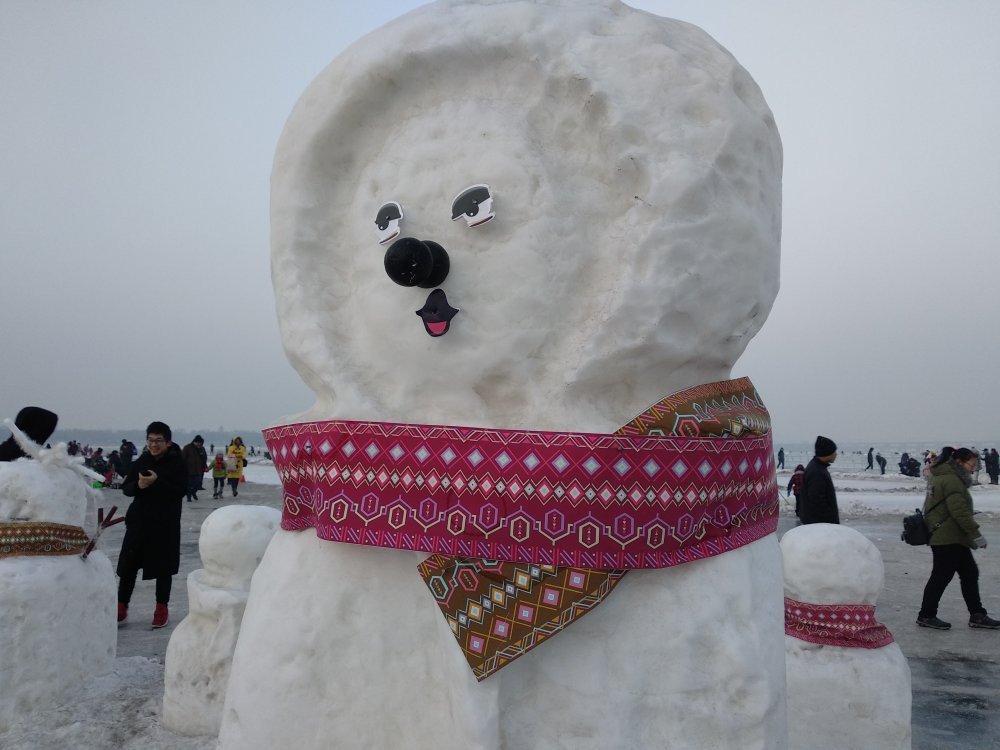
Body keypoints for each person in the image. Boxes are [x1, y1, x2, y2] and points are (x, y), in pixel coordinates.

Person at [917, 447, 999, 630]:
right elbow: (959, 512)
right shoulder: (952, 480)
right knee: (941, 577)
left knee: (970, 574)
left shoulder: (940, 475)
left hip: (951, 536)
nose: (973, 468)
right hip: (947, 537)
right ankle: (926, 615)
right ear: (960, 463)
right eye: (972, 464)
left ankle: (977, 614)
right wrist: (976, 535)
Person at [116, 421, 186, 629]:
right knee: (129, 565)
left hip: (165, 524)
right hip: (139, 521)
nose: (154, 445)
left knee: (163, 568)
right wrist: (138, 485)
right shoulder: (142, 460)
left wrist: (157, 483)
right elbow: (126, 489)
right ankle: (121, 605)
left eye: (158, 441)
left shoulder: (176, 463)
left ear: (168, 442)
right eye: (150, 440)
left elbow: (180, 491)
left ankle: (161, 607)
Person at [799, 435, 839, 525]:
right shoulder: (816, 471)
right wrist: (830, 520)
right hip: (820, 525)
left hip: (819, 523)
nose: (836, 454)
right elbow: (817, 500)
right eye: (833, 451)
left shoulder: (818, 467)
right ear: (826, 452)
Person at [181, 435, 208, 502]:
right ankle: (189, 497)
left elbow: (204, 458)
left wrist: (205, 466)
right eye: (198, 442)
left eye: (200, 443)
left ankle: (193, 492)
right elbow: (182, 458)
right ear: (194, 442)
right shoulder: (187, 447)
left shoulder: (202, 448)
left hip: (198, 470)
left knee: (198, 483)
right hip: (188, 470)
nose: (199, 444)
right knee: (189, 485)